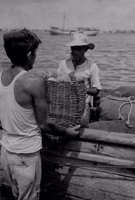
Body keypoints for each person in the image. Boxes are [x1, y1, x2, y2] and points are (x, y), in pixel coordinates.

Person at [0, 28, 80, 200]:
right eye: (35, 53)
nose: (35, 57)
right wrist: (67, 132)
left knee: (16, 195)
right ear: (29, 54)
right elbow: (45, 123)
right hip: (26, 156)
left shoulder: (1, 76)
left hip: (6, 152)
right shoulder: (33, 82)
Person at [57, 32, 101, 125]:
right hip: (64, 104)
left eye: (77, 48)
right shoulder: (63, 64)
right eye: (72, 48)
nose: (73, 51)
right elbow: (56, 82)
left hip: (83, 107)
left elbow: (96, 90)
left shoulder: (92, 66)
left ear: (85, 50)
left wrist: (80, 88)